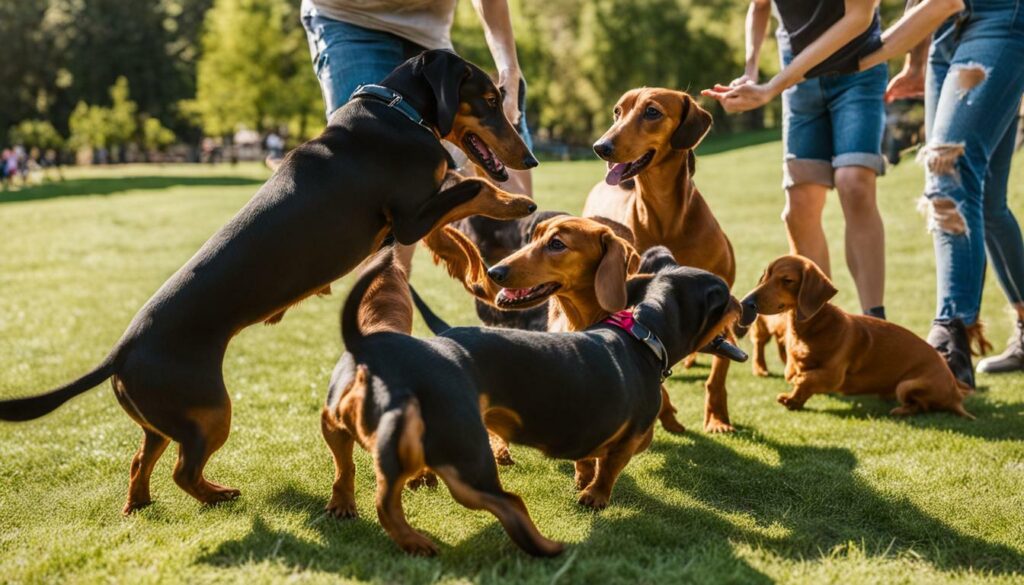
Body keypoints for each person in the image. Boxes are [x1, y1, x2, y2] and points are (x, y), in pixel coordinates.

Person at [704, 0, 966, 322]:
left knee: (853, 183)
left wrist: (773, 87)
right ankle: (821, 322)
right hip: (797, 78)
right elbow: (759, 6)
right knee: (798, 207)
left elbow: (858, 19)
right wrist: (750, 69)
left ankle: (874, 319)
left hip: (857, 69)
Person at [300, 0, 533, 272]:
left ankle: (512, 305)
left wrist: (509, 71)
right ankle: (387, 300)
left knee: (513, 212)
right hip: (349, 20)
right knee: (384, 201)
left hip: (429, 30)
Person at [886, 0, 1024, 386]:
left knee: (948, 170)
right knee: (991, 203)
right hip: (941, 29)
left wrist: (870, 52)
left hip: (1000, 17)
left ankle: (951, 343)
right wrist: (914, 62)